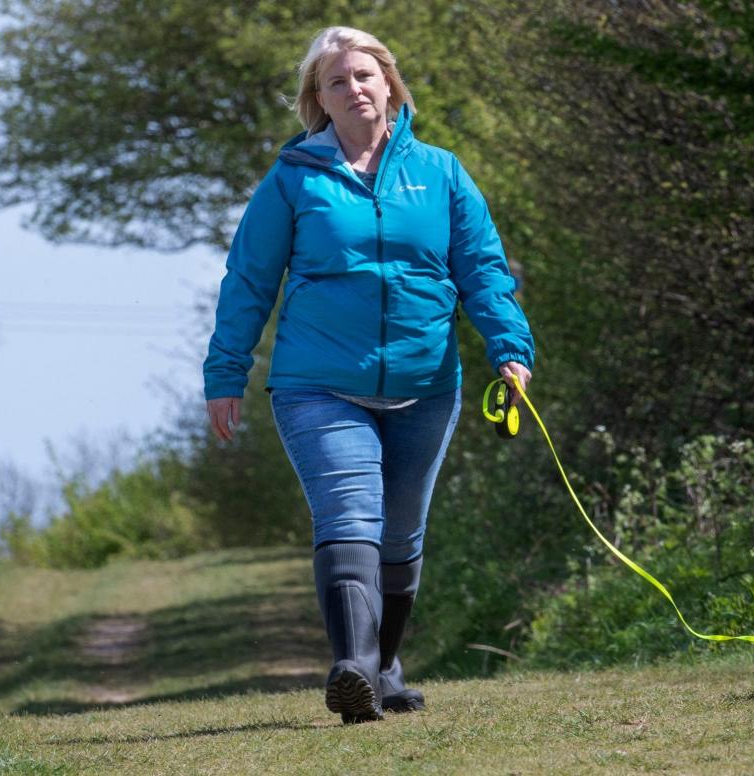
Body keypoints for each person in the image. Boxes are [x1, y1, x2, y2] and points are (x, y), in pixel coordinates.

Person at [202, 26, 535, 724]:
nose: (353, 89)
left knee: (402, 533)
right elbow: (248, 281)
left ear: (389, 84)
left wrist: (510, 348)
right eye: (335, 81)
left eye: (363, 76)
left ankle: (382, 666)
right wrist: (224, 372)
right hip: (318, 383)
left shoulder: (440, 172)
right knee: (350, 513)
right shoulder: (293, 179)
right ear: (317, 100)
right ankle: (351, 668)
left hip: (426, 384)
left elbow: (483, 270)